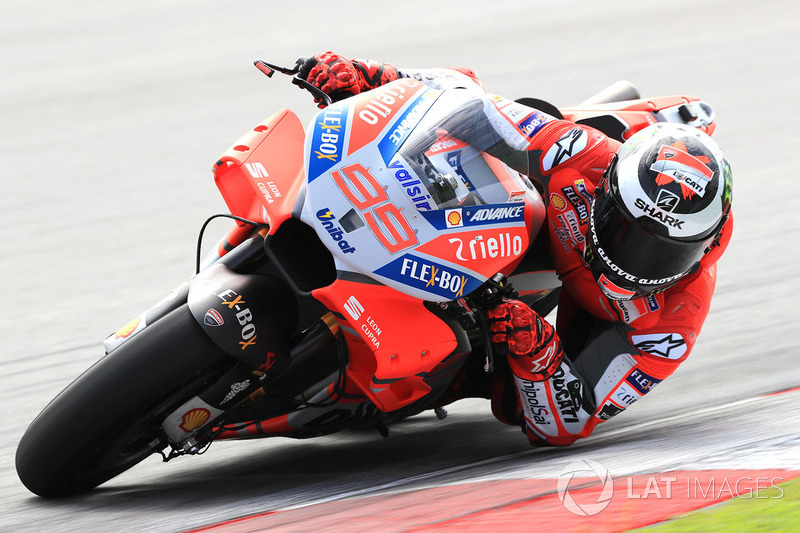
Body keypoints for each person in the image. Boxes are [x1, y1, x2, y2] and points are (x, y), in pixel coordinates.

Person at [297, 51, 734, 446]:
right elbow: (468, 102)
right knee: (525, 116)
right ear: (607, 192)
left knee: (510, 402)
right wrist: (371, 77)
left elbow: (569, 421)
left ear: (706, 245)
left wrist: (539, 352)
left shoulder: (672, 325)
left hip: (595, 313)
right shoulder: (586, 155)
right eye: (626, 230)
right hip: (531, 218)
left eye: (664, 251)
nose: (633, 259)